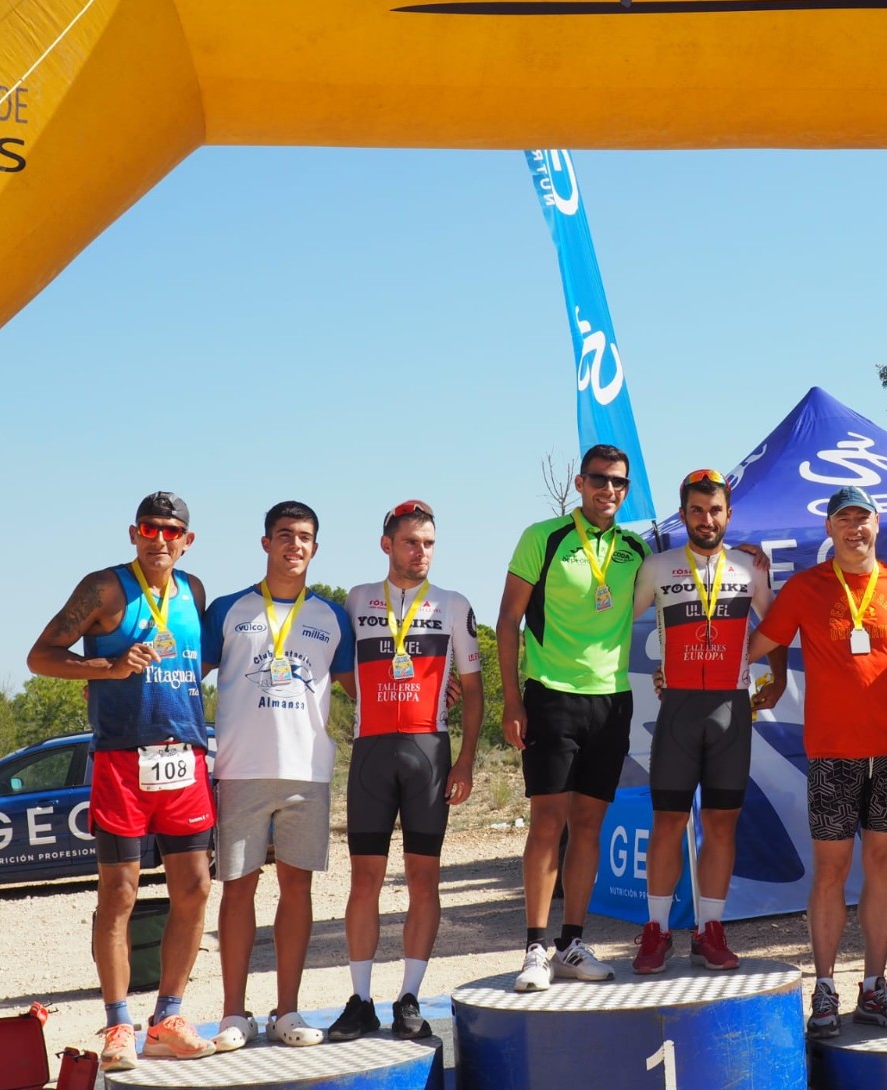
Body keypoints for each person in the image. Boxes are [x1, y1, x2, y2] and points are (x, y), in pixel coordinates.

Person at [27, 492, 216, 1072]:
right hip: (121, 759)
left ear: (187, 540)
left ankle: (168, 1018)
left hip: (183, 755)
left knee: (194, 890)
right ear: (133, 533)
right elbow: (40, 656)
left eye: (171, 530)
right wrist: (107, 668)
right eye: (149, 528)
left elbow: (196, 660)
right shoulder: (105, 588)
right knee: (119, 895)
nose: (159, 539)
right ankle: (117, 1025)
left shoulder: (194, 591)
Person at [747, 486, 887, 1038]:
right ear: (829, 530)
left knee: (884, 867)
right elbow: (756, 644)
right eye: (844, 520)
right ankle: (825, 987)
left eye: (863, 518)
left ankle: (874, 985)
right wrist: (692, 667)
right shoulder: (806, 587)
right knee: (830, 871)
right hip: (832, 754)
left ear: (878, 525)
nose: (855, 528)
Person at [201, 501, 354, 1050]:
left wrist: (434, 692)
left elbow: (362, 689)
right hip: (240, 769)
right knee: (237, 888)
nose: (295, 545)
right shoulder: (228, 609)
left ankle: (287, 1011)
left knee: (297, 889)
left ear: (316, 548)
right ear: (265, 543)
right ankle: (233, 1015)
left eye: (305, 537)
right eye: (285, 535)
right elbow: (185, 675)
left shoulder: (332, 616)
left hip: (306, 772)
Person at [329, 500, 483, 1041]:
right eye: (411, 542)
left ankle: (409, 996)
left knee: (423, 879)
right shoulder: (355, 600)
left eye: (429, 543)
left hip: (429, 754)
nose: (421, 552)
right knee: (364, 880)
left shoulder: (452, 604)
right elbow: (340, 668)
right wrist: (372, 696)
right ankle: (360, 1000)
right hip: (370, 752)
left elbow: (474, 690)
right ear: (387, 544)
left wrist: (466, 760)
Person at [498, 446, 650, 991]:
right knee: (548, 821)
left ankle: (571, 943)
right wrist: (512, 701)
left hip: (611, 701)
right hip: (551, 695)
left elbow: (687, 573)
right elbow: (508, 620)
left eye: (618, 483)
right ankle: (535, 948)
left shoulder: (636, 549)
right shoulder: (544, 537)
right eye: (599, 480)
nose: (609, 490)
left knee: (589, 824)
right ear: (581, 483)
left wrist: (744, 554)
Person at [629, 469, 786, 974]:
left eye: (714, 510)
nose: (706, 519)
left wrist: (778, 676)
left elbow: (777, 624)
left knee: (722, 824)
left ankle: (710, 929)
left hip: (730, 710)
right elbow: (614, 624)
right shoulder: (657, 567)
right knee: (667, 822)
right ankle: (657, 930)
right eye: (696, 510)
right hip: (677, 709)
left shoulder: (749, 567)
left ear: (728, 515)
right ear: (683, 515)